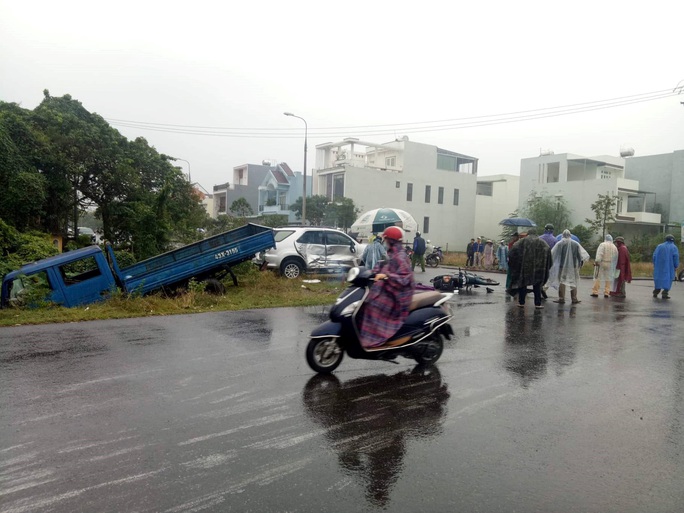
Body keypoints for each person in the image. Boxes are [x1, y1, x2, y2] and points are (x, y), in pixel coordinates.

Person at [358, 226, 415, 348]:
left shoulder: (400, 256)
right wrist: (370, 273)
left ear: (391, 240)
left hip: (399, 293)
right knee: (365, 300)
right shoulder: (390, 253)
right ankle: (365, 333)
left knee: (374, 305)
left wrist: (386, 275)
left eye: (387, 239)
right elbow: (381, 265)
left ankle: (377, 338)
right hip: (388, 288)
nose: (385, 242)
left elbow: (405, 278)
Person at [508, 228, 553, 309]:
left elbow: (512, 251)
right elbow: (549, 253)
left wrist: (515, 264)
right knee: (537, 286)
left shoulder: (522, 241)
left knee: (523, 284)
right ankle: (537, 304)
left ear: (528, 233)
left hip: (525, 268)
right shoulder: (543, 243)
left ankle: (521, 302)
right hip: (538, 269)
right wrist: (546, 265)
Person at [548, 230, 590, 304]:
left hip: (561, 266)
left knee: (561, 281)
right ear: (570, 235)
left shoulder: (559, 243)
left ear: (562, 235)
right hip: (573, 267)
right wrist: (580, 264)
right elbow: (580, 255)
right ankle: (574, 298)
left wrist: (551, 264)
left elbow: (553, 254)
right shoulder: (575, 244)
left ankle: (561, 298)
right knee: (573, 281)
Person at [652, 234, 680, 299]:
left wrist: (655, 263)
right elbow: (675, 257)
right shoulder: (674, 247)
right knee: (668, 279)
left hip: (659, 267)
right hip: (669, 266)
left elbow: (654, 256)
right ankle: (665, 293)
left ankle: (655, 292)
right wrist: (676, 265)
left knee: (658, 279)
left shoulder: (659, 246)